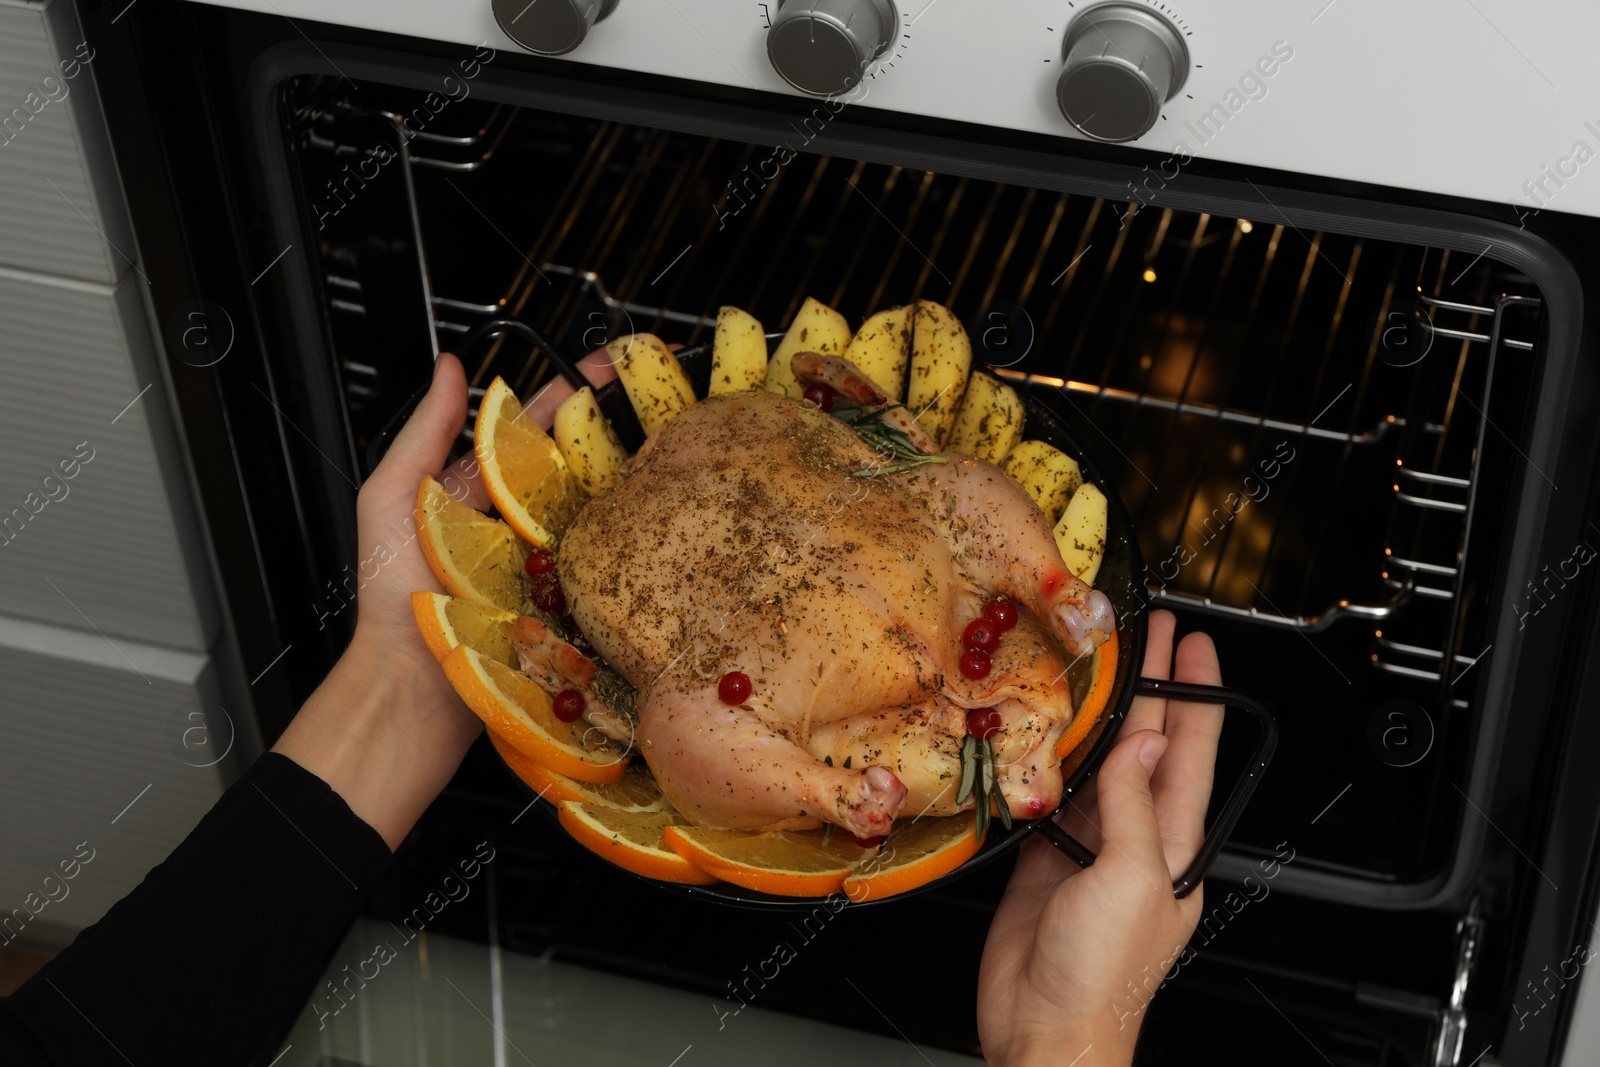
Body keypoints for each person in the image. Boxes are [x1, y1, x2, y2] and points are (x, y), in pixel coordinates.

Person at [0, 352, 1223, 1066]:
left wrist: (396, 680)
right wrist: (1069, 1042)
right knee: (700, 710)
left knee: (924, 510)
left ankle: (998, 648)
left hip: (903, 581)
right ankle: (845, 775)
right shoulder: (603, 567)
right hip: (816, 657)